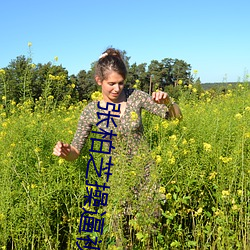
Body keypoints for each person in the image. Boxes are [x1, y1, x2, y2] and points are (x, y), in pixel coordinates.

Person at [53, 47, 182, 247]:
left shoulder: (135, 97)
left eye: (121, 83)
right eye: (111, 83)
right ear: (99, 81)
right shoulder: (91, 111)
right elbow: (76, 151)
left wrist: (169, 102)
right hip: (112, 183)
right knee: (120, 238)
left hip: (145, 176)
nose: (117, 88)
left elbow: (175, 118)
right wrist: (65, 152)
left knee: (150, 235)